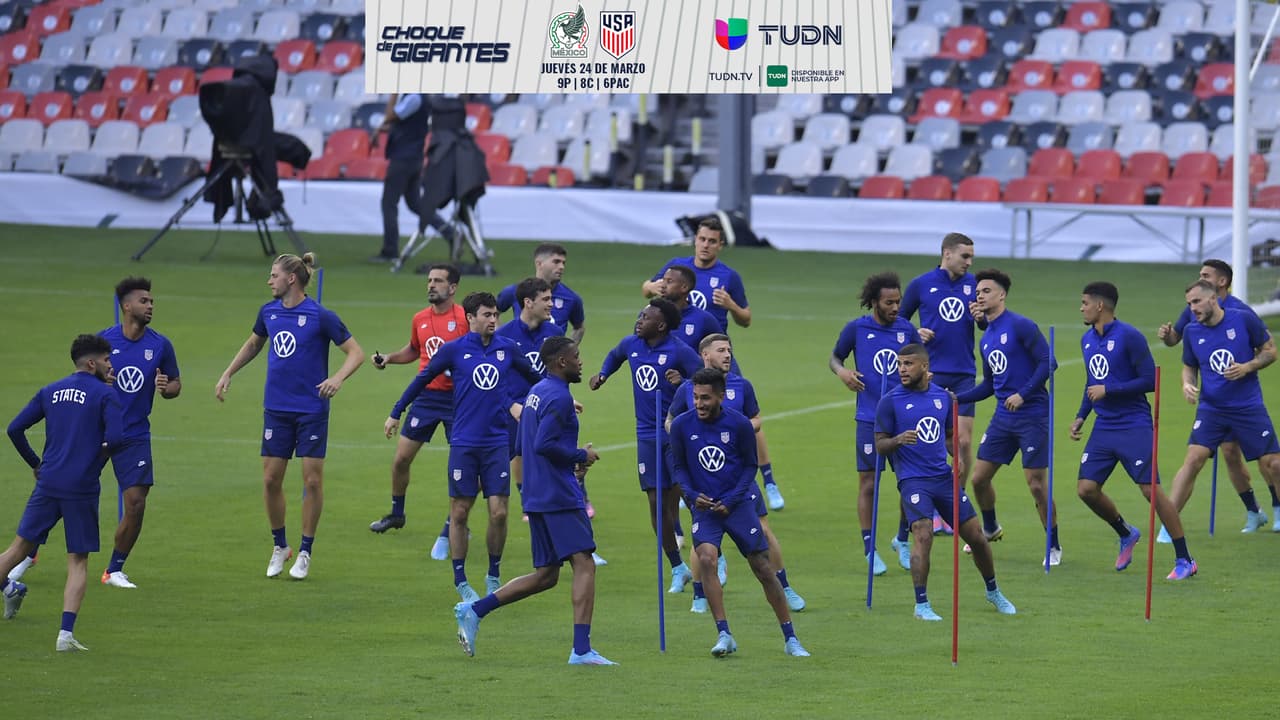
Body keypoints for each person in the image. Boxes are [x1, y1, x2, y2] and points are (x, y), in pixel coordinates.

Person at [453, 337, 614, 664]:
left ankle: (475, 610)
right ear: (561, 362)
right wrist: (582, 453)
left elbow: (532, 443)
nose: (581, 362)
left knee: (546, 575)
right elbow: (544, 444)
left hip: (539, 494)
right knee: (584, 563)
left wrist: (571, 460)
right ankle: (581, 650)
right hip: (558, 495)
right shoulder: (557, 397)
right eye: (576, 356)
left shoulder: (537, 392)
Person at [215, 253, 365, 580]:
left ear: (291, 279)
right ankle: (280, 545)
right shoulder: (267, 312)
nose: (269, 281)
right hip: (277, 409)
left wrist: (337, 378)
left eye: (273, 275)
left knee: (312, 480)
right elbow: (255, 343)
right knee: (270, 480)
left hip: (311, 410)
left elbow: (356, 352)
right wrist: (229, 372)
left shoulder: (320, 315)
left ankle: (306, 551)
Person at [388, 292, 542, 603]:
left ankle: (493, 574)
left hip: (497, 442)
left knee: (499, 513)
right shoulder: (453, 351)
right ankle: (460, 580)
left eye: (495, 315)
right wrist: (396, 411)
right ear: (470, 318)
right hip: (464, 443)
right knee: (459, 511)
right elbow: (422, 379)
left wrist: (552, 399)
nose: (493, 320)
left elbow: (537, 379)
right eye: (486, 315)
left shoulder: (507, 349)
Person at [669, 368, 810, 658]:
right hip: (705, 508)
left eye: (705, 398)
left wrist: (732, 500)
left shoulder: (740, 425)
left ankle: (790, 637)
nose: (699, 404)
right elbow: (679, 468)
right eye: (695, 397)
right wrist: (694, 496)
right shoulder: (682, 425)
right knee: (707, 558)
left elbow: (749, 466)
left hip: (738, 504)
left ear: (721, 396)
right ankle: (724, 633)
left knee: (762, 567)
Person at [874, 344, 1017, 621]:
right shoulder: (890, 401)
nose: (902, 369)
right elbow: (880, 445)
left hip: (943, 478)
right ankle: (922, 605)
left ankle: (993, 590)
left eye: (908, 364)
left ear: (924, 367)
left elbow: (950, 436)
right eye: (900, 364)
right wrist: (897, 440)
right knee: (924, 533)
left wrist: (958, 457)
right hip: (913, 481)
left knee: (976, 535)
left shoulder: (944, 398)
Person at [1, 334, 122, 651]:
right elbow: (117, 438)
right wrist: (95, 464)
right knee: (78, 561)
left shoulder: (50, 390)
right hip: (80, 487)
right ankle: (65, 635)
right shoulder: (105, 395)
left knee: (17, 550)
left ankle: (8, 588)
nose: (112, 366)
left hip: (49, 481)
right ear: (92, 363)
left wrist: (35, 464)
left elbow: (14, 429)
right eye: (107, 360)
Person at [1071, 282, 1197, 580]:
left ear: (1100, 306)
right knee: (1086, 490)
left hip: (1133, 423)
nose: (1082, 307)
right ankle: (1126, 532)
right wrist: (1080, 416)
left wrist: (1109, 390)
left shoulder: (1129, 337)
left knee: (1149, 490)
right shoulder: (1087, 340)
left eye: (1085, 302)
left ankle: (1185, 559)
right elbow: (1092, 384)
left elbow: (1150, 381)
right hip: (1103, 426)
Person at [1157, 259, 1278, 533]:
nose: (1191, 308)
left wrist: (1247, 366)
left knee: (1272, 462)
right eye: (1189, 304)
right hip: (1212, 408)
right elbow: (1186, 362)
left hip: (1247, 406)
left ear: (1217, 291)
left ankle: (1277, 507)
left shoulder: (1243, 316)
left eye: (1205, 276)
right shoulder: (1192, 324)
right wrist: (1187, 383)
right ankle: (1170, 525)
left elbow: (1270, 350)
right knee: (1201, 457)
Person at [589, 299, 700, 592]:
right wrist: (602, 374)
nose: (639, 320)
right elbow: (615, 355)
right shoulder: (631, 344)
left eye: (645, 317)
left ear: (661, 325)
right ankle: (678, 566)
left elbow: (704, 380)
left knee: (689, 497)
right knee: (655, 502)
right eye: (639, 315)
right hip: (645, 436)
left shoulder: (678, 350)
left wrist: (684, 382)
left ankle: (713, 554)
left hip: (674, 433)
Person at [956, 268, 1061, 567]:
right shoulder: (986, 338)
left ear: (1001, 295)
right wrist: (957, 398)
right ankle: (990, 528)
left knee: (1037, 485)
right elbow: (990, 385)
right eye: (977, 292)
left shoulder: (1021, 326)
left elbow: (1048, 362)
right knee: (978, 479)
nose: (980, 296)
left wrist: (1024, 393)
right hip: (1003, 417)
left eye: (986, 291)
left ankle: (1053, 546)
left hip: (1033, 414)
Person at [368, 263, 468, 565]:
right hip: (425, 398)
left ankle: (456, 521)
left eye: (438, 281)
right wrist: (389, 358)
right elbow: (415, 350)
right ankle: (397, 514)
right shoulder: (420, 319)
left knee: (462, 466)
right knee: (400, 459)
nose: (431, 285)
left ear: (452, 288)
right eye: (429, 280)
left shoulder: (465, 318)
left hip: (458, 401)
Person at [91, 277, 182, 590]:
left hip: (134, 435)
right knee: (67, 491)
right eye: (144, 301)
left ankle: (114, 569)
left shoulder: (160, 345)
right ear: (126, 306)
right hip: (98, 431)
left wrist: (165, 388)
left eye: (152, 301)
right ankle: (28, 552)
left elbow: (175, 385)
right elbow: (82, 378)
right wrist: (98, 382)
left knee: (136, 503)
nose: (151, 306)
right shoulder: (103, 341)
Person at [829, 271, 921, 576]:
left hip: (904, 417)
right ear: (874, 302)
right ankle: (870, 548)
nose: (896, 307)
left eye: (898, 302)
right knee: (869, 482)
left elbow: (922, 361)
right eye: (889, 302)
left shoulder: (906, 329)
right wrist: (842, 373)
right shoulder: (857, 329)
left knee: (910, 483)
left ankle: (902, 539)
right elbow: (835, 358)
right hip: (869, 418)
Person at [901, 232, 978, 537]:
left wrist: (981, 318)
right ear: (947, 253)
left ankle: (953, 505)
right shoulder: (921, 284)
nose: (969, 263)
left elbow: (986, 322)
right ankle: (930, 508)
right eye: (965, 256)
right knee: (929, 441)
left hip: (963, 372)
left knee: (962, 442)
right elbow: (900, 322)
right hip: (930, 375)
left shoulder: (974, 285)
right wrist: (914, 333)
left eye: (971, 257)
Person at [373, 93, 456, 262]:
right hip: (413, 158)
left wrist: (393, 95)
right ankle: (450, 233)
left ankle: (390, 250)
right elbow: (406, 124)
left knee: (389, 203)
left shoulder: (413, 98)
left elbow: (391, 115)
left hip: (403, 159)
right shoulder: (419, 99)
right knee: (416, 203)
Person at [642, 216, 750, 335]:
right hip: (678, 341)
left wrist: (731, 305)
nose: (705, 245)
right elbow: (646, 290)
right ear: (695, 240)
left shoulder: (729, 276)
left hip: (710, 345)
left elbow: (746, 320)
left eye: (712, 241)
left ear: (720, 245)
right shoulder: (676, 265)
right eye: (702, 239)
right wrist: (651, 287)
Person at [496, 244, 586, 344]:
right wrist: (501, 341)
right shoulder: (514, 291)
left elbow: (579, 328)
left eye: (563, 263)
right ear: (539, 263)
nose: (561, 267)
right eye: (556, 262)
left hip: (550, 358)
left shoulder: (571, 298)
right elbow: (494, 312)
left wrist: (567, 351)